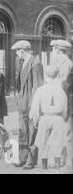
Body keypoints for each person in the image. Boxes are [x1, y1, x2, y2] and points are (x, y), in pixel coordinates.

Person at [11, 40, 44, 169]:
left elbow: (38, 87)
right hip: (22, 103)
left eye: (17, 51)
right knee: (22, 131)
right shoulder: (22, 62)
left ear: (22, 50)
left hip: (31, 104)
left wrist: (35, 107)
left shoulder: (36, 64)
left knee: (32, 132)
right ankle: (23, 157)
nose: (17, 54)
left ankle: (31, 159)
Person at [29, 65, 68, 170]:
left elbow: (35, 108)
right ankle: (57, 166)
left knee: (43, 143)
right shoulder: (61, 91)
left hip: (45, 118)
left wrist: (35, 120)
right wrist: (64, 119)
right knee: (57, 143)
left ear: (46, 77)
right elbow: (65, 108)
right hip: (58, 118)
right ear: (56, 77)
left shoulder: (40, 90)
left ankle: (45, 168)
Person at [50, 39, 73, 170]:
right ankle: (60, 159)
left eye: (53, 49)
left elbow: (64, 85)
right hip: (58, 100)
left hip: (64, 101)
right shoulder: (59, 62)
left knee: (66, 132)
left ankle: (68, 161)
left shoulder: (66, 64)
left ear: (58, 50)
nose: (52, 52)